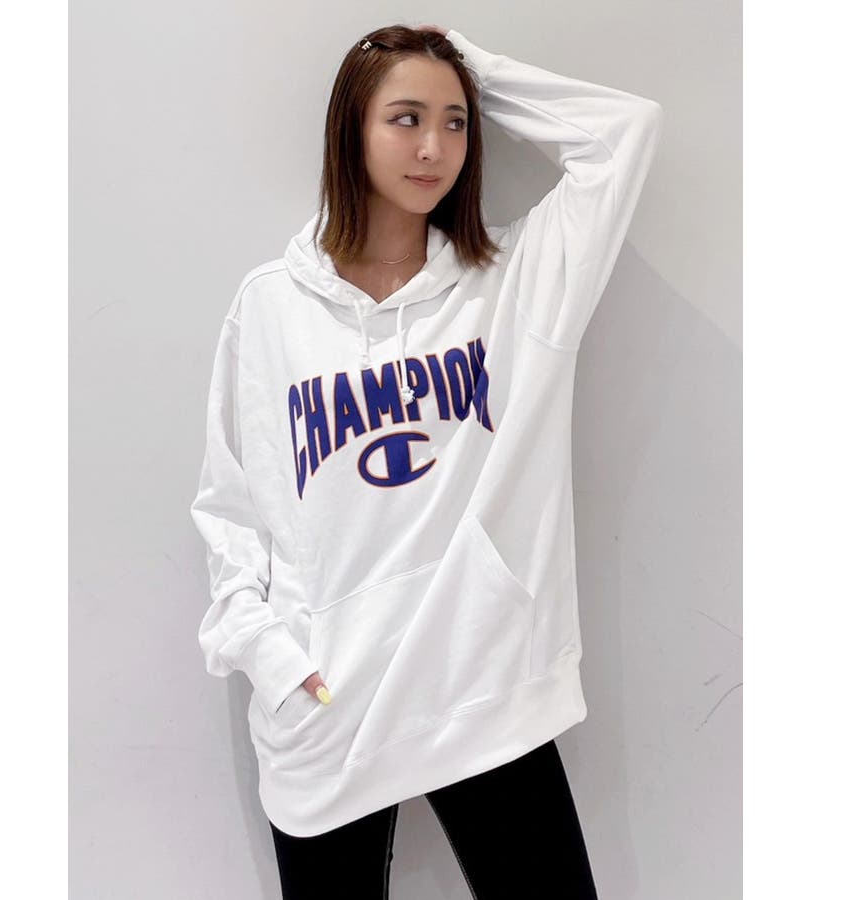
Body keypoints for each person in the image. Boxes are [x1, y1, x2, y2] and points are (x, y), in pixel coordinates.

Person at [190, 22, 663, 898]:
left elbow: (623, 133)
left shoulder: (517, 281)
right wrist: (271, 658)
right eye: (405, 118)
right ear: (351, 128)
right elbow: (231, 507)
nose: (434, 148)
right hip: (327, 709)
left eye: (455, 123)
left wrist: (472, 68)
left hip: (478, 686)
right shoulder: (269, 309)